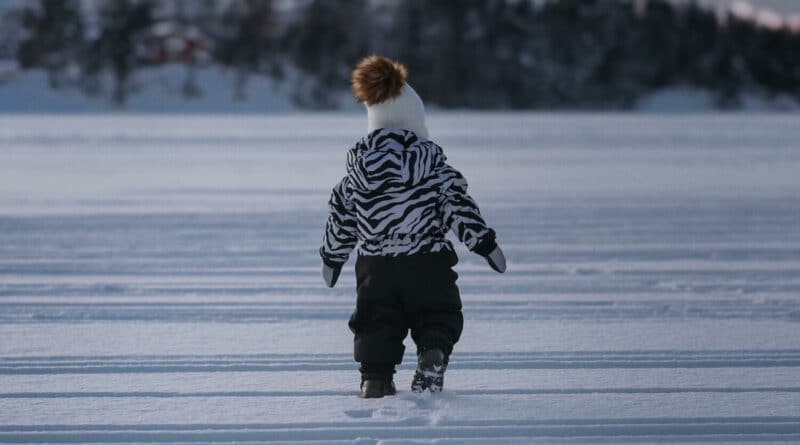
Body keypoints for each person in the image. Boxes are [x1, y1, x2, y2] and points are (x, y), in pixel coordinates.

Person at [319, 55, 506, 398]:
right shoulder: (434, 169)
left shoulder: (355, 176)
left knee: (375, 322)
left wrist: (332, 259)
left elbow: (341, 219)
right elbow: (459, 208)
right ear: (416, 121)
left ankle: (374, 379)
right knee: (437, 312)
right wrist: (484, 243)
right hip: (427, 260)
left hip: (375, 266)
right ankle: (432, 352)